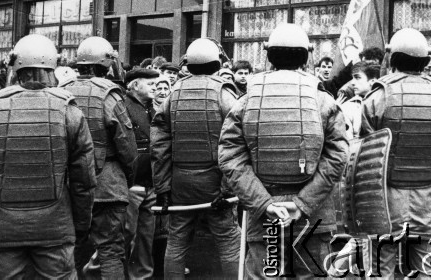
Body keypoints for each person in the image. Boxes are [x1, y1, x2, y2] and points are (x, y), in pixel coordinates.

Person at [219, 23, 349, 279]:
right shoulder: (323, 100)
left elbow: (230, 157)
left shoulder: (247, 100)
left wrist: (264, 203)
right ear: (306, 55)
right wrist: (302, 204)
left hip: (265, 211)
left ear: (269, 54)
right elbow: (337, 158)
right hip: (314, 213)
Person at [0, 33, 96, 279]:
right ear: (54, 66)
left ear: (15, 66)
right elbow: (84, 181)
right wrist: (80, 226)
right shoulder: (69, 112)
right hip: (55, 227)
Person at [361, 28, 431, 277]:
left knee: (378, 273)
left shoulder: (376, 99)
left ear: (391, 57)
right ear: (426, 59)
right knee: (427, 272)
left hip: (383, 207)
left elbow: (362, 165)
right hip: (428, 205)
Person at [151, 38, 241, 279]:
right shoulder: (224, 92)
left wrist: (163, 188)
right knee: (229, 240)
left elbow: (159, 147)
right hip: (215, 182)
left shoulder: (173, 93)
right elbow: (236, 143)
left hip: (181, 183)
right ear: (216, 62)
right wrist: (228, 187)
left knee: (177, 241)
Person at [60, 36, 138, 279]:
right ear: (106, 64)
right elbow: (127, 146)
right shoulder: (110, 94)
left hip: (69, 184)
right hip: (107, 184)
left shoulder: (61, 92)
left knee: (68, 250)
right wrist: (128, 177)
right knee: (111, 251)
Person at [123, 68, 159, 279]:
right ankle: (95, 273)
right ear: (135, 85)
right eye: (150, 83)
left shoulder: (151, 109)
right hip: (131, 185)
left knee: (146, 238)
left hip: (149, 184)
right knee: (124, 236)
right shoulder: (122, 108)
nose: (155, 86)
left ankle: (142, 276)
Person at [340, 62, 380, 139]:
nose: (352, 82)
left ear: (372, 81)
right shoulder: (348, 107)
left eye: (357, 77)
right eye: (352, 78)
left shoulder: (382, 103)